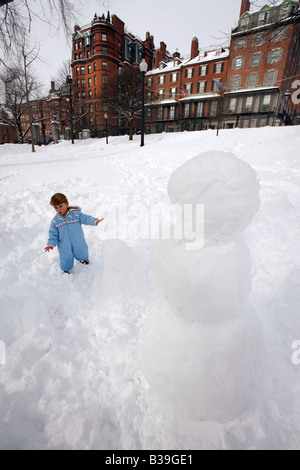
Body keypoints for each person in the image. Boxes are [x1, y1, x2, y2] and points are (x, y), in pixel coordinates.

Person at [44, 193, 104, 273]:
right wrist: (51, 244)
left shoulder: (76, 214)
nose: (59, 209)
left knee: (81, 249)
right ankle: (66, 268)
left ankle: (83, 259)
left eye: (61, 206)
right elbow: (53, 234)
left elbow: (85, 218)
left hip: (78, 239)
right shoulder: (55, 221)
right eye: (56, 208)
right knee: (66, 255)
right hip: (64, 243)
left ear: (67, 204)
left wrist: (94, 221)